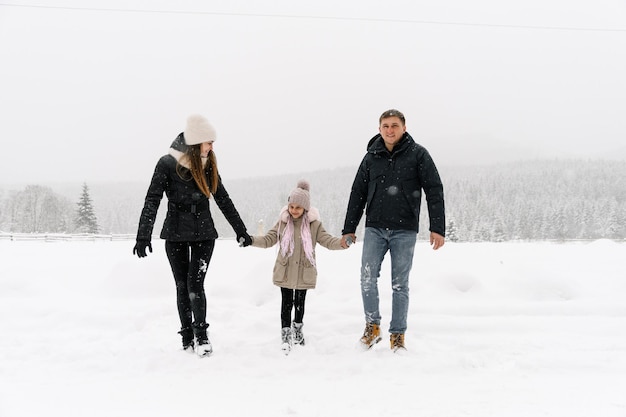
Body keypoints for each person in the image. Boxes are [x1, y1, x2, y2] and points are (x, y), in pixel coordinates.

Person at [133, 114, 252, 357]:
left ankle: (202, 335)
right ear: (197, 141)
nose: (212, 146)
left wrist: (241, 230)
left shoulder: (208, 164)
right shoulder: (167, 164)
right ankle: (187, 335)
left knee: (195, 284)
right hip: (175, 233)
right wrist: (143, 235)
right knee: (182, 285)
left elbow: (222, 198)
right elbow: (152, 199)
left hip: (204, 234)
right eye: (209, 141)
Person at [341, 109, 445, 352]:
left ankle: (397, 335)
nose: (390, 130)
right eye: (385, 126)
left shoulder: (418, 155)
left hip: (404, 230)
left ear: (404, 128)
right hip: (375, 228)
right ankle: (372, 328)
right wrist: (349, 228)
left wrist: (437, 227)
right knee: (367, 278)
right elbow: (357, 193)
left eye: (394, 125)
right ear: (379, 129)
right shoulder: (370, 157)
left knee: (400, 285)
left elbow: (434, 189)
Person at [247, 180, 349, 355]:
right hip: (285, 270)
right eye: (291, 206)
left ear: (305, 209)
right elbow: (268, 240)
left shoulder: (314, 225)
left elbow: (328, 241)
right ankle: (285, 333)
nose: (294, 210)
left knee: (300, 303)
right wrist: (250, 240)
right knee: (286, 303)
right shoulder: (282, 223)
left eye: (298, 207)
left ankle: (298, 329)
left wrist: (342, 243)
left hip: (304, 271)